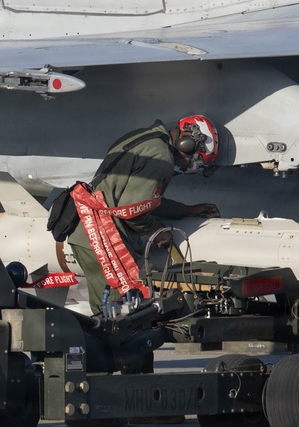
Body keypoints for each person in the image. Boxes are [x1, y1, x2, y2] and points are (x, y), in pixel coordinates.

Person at [66, 116, 218, 374]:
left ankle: (106, 396)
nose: (187, 166)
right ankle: (130, 399)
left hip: (91, 229)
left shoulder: (146, 139)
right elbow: (132, 211)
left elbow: (142, 199)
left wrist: (185, 210)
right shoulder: (161, 159)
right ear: (187, 143)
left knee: (110, 319)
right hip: (103, 239)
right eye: (192, 159)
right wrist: (157, 231)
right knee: (125, 321)